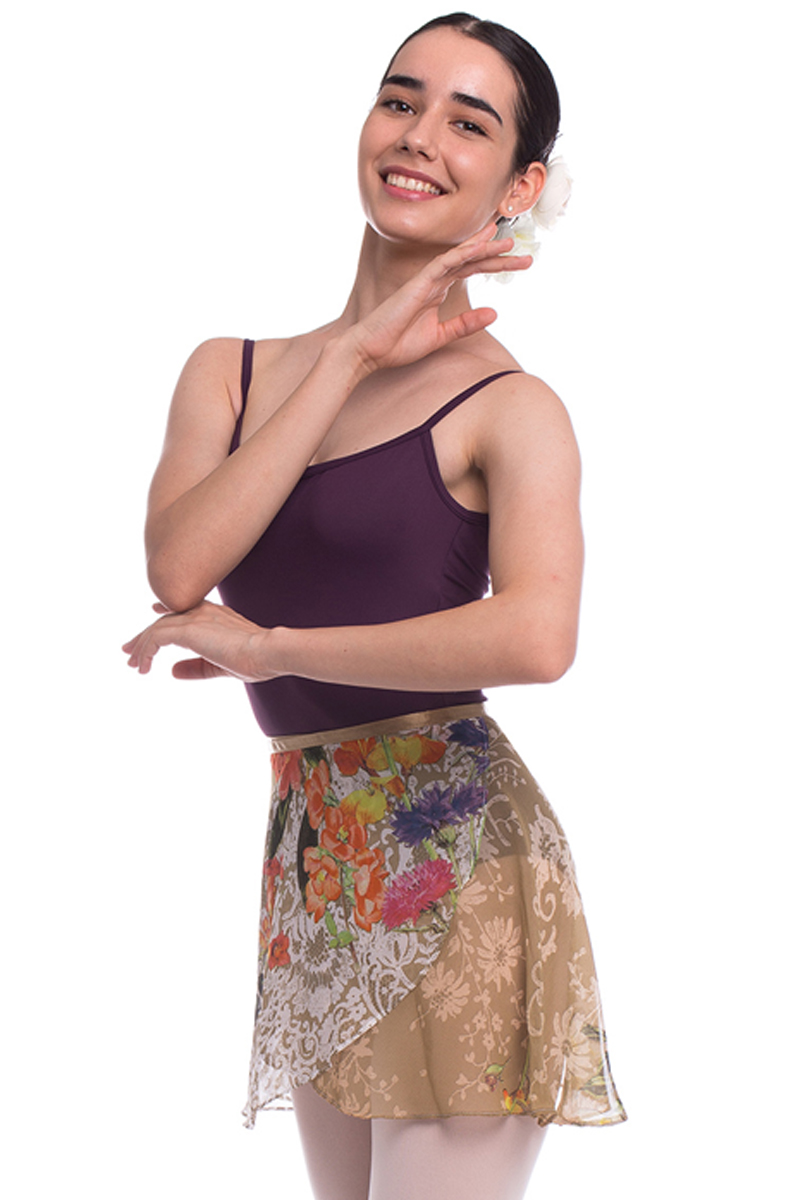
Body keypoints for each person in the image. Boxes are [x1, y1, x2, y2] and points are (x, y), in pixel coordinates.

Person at [123, 13, 626, 1199]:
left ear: (519, 185)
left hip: (456, 856)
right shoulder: (230, 371)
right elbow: (179, 568)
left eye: (468, 122)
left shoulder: (512, 410)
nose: (417, 136)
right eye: (401, 100)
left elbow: (538, 635)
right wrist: (351, 352)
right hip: (316, 860)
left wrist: (274, 647)